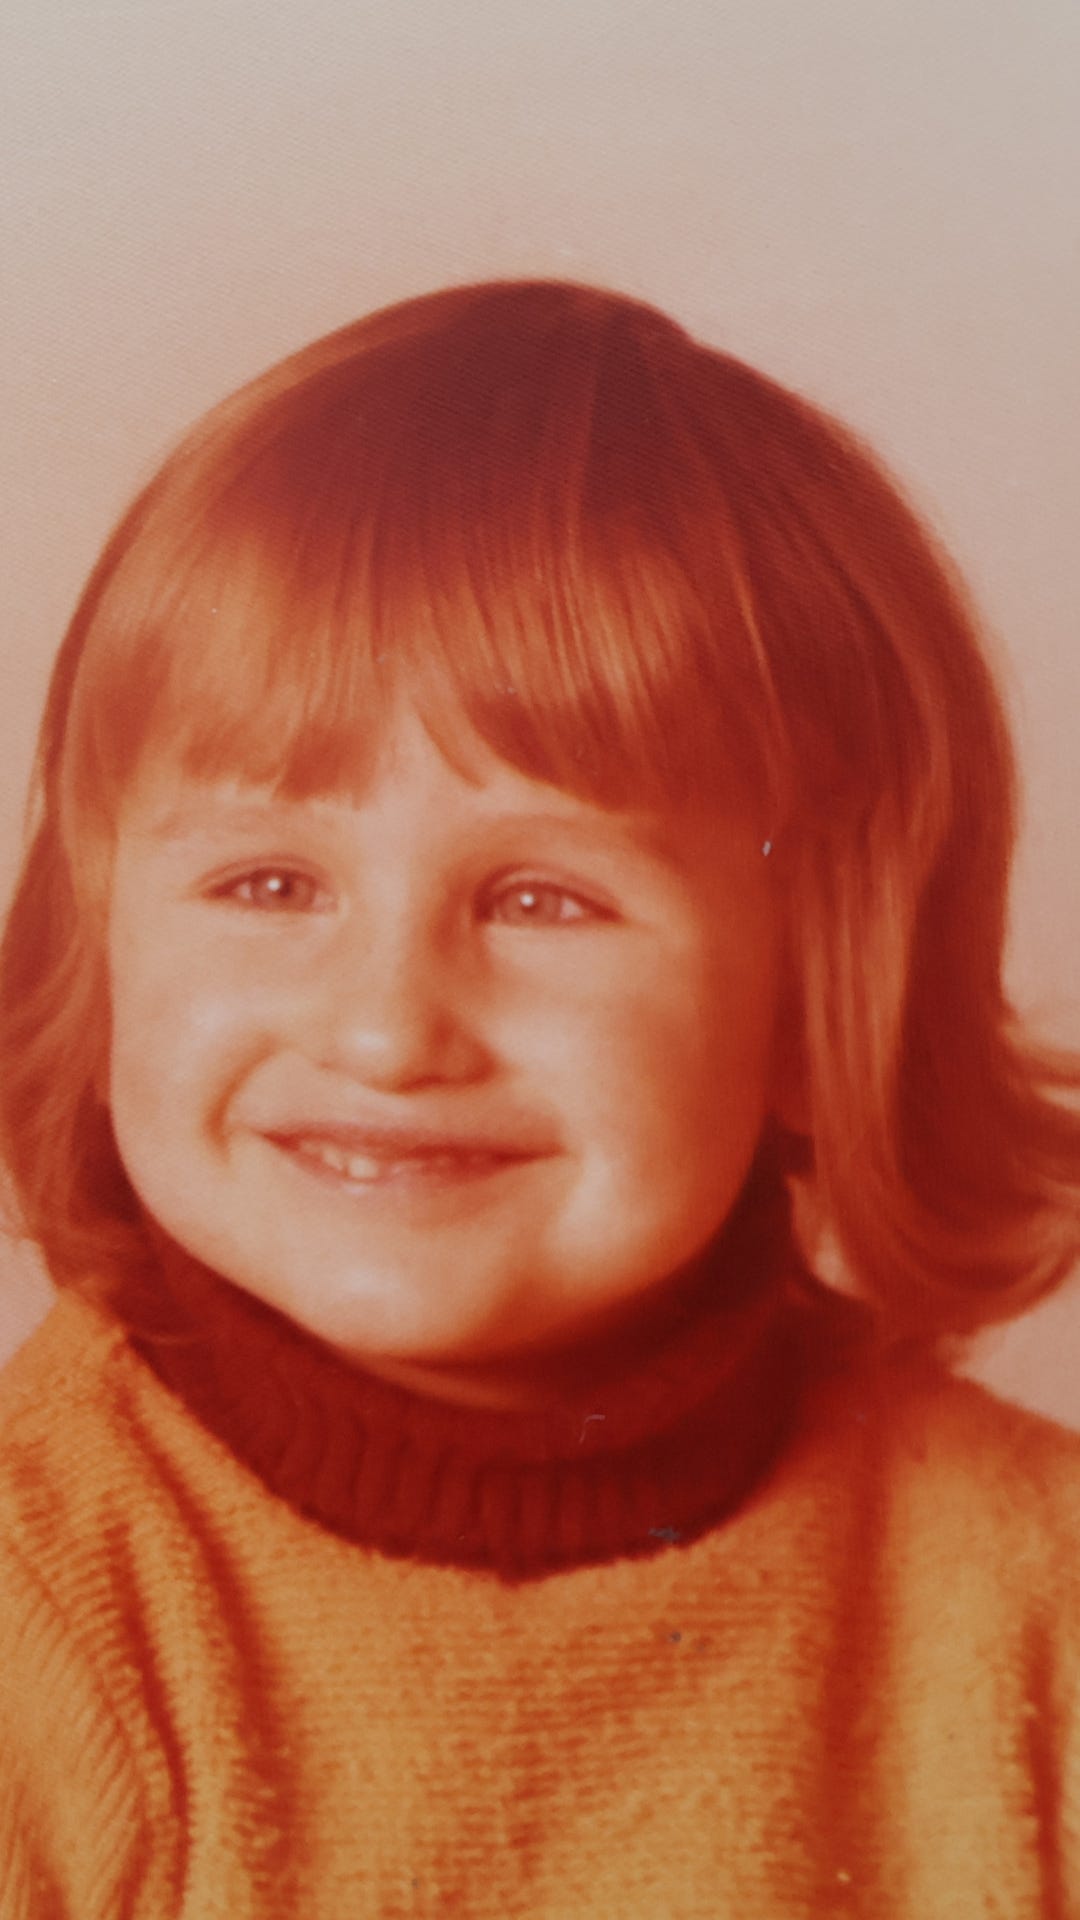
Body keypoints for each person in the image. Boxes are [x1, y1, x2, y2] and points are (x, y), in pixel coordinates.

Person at [0, 279, 1077, 1918]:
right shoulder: (43, 1614)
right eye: (270, 883)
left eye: (543, 900)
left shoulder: (1031, 1602)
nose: (387, 1031)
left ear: (817, 1002)